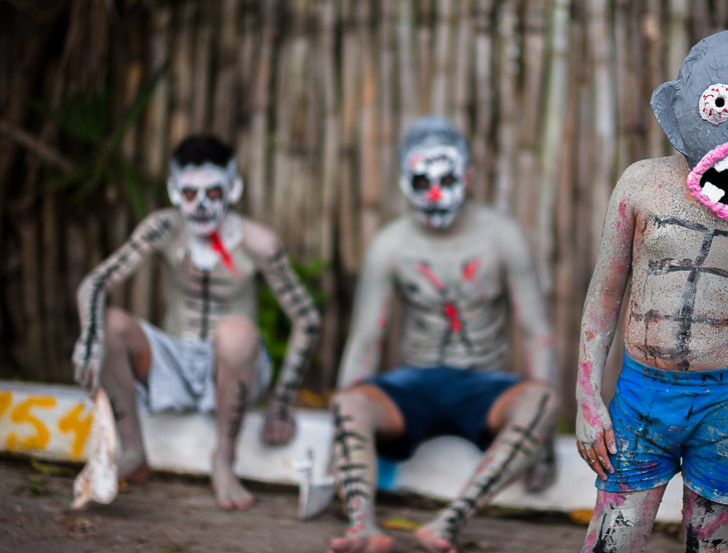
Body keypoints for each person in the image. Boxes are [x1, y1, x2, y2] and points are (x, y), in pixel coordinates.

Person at [576, 29, 728, 552]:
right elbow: (604, 295)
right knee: (613, 540)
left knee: (712, 544)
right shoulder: (642, 184)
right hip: (645, 394)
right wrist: (587, 398)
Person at [328, 116, 559, 553]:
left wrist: (543, 441)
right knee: (347, 402)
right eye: (421, 181)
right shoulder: (390, 244)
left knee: (542, 399)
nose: (435, 194)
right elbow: (365, 341)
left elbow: (537, 334)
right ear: (403, 182)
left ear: (468, 177)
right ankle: (362, 526)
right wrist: (337, 441)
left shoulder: (502, 236)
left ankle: (449, 521)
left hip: (487, 387)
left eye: (447, 179)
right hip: (413, 384)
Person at [71, 135, 321, 510]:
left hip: (233, 367)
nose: (201, 206)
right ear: (174, 192)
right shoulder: (164, 228)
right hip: (172, 362)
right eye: (190, 195)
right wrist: (90, 339)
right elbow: (97, 281)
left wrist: (281, 401)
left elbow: (307, 319)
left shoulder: (258, 242)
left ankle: (224, 460)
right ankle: (133, 452)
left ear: (233, 189)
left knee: (235, 333)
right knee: (111, 323)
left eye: (213, 194)